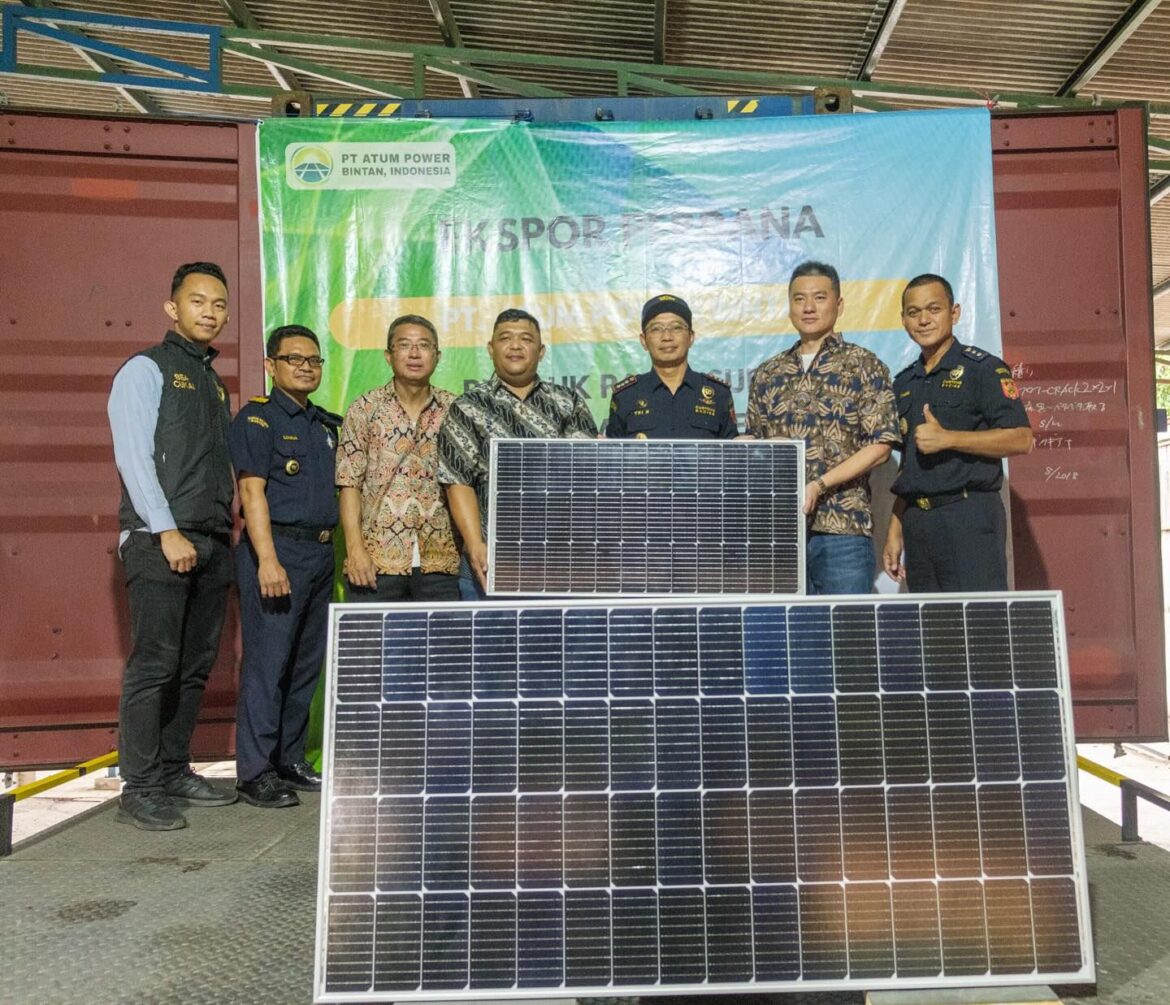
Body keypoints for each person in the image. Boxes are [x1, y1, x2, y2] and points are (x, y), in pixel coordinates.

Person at [107, 261, 238, 830]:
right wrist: (165, 530)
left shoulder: (213, 381)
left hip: (210, 540)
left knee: (194, 666)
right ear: (173, 308)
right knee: (155, 665)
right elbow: (133, 457)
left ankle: (173, 768)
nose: (210, 312)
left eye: (219, 304)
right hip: (160, 540)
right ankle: (139, 787)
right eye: (198, 301)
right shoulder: (145, 368)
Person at [228, 325, 340, 808]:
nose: (306, 367)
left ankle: (289, 759)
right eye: (294, 359)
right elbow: (251, 492)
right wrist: (268, 560)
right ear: (271, 366)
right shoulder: (258, 419)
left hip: (320, 554)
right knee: (267, 665)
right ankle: (255, 772)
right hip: (278, 552)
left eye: (313, 360)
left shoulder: (324, 425)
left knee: (304, 666)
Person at [746, 260, 898, 595]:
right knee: (787, 628)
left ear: (839, 305)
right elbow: (757, 444)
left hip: (842, 530)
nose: (809, 307)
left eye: (819, 297)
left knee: (846, 627)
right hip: (778, 533)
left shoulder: (864, 365)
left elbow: (881, 447)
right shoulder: (768, 373)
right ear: (789, 307)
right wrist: (747, 447)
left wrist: (819, 484)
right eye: (799, 299)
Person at [882, 273, 1034, 591]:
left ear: (955, 313)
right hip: (918, 522)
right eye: (914, 312)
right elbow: (909, 465)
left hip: (969, 516)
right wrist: (895, 528)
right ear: (904, 320)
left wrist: (950, 438)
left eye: (934, 309)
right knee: (932, 621)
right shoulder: (904, 383)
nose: (924, 320)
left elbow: (1022, 439)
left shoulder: (983, 369)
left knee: (977, 618)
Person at [437, 307, 598, 598]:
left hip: (560, 558)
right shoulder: (468, 407)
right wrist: (474, 544)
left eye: (526, 339)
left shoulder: (568, 402)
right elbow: (457, 481)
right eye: (505, 338)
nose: (515, 346)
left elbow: (585, 477)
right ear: (490, 348)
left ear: (541, 351)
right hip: (490, 559)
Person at [337, 315, 460, 601]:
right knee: (372, 633)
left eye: (424, 345)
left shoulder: (454, 410)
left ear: (438, 356)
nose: (414, 353)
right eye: (404, 345)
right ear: (388, 356)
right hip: (376, 561)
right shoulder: (364, 409)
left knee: (442, 632)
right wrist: (355, 550)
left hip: (441, 561)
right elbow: (348, 483)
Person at [606, 294, 737, 439]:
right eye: (656, 329)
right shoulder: (625, 396)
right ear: (643, 341)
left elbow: (732, 451)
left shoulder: (718, 394)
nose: (667, 337)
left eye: (676, 328)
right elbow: (613, 451)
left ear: (691, 337)